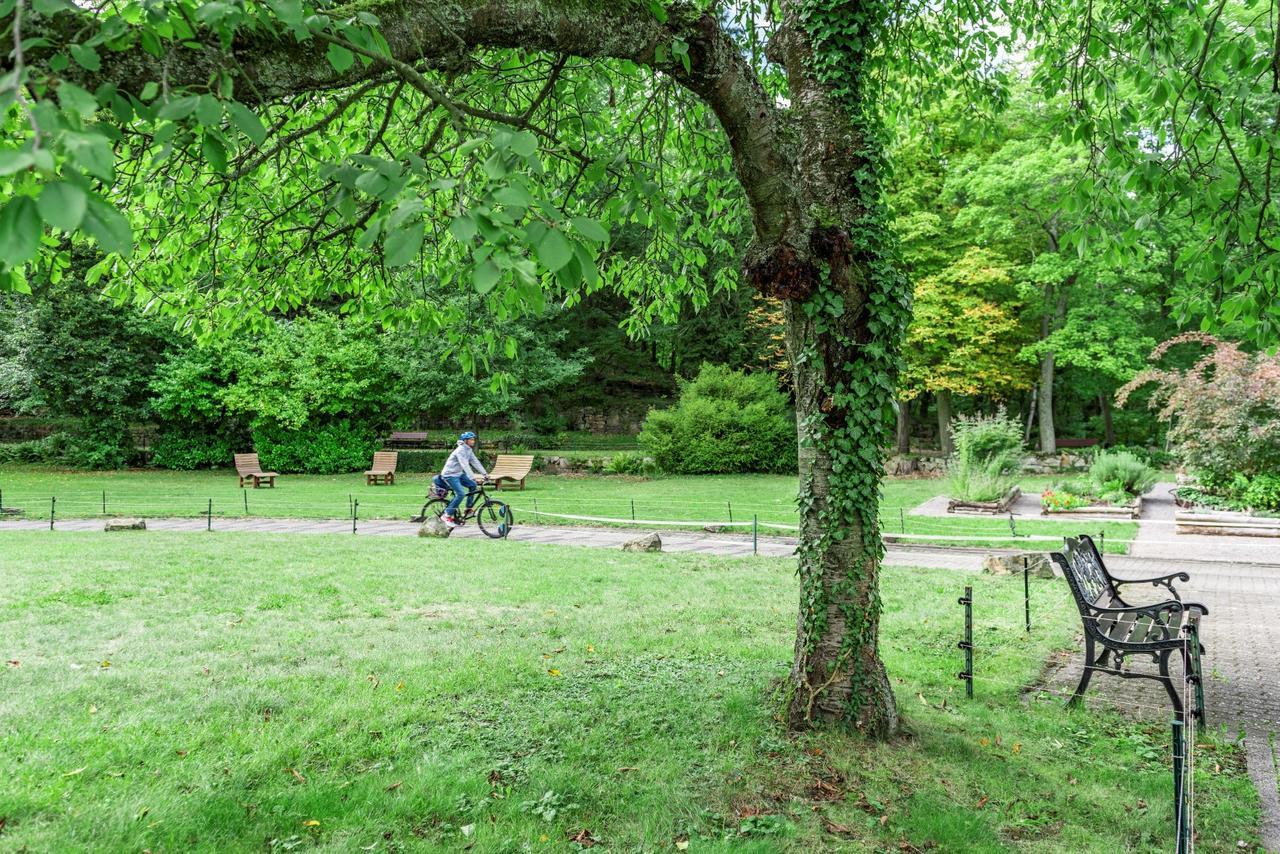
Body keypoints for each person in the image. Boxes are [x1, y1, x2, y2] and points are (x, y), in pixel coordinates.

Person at [438, 431, 488, 528]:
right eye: (471, 439)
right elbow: (464, 464)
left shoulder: (468, 449)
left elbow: (475, 461)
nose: (473, 441)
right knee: (461, 494)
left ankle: (468, 509)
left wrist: (485, 473)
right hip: (450, 474)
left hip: (458, 474)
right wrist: (473, 477)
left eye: (473, 439)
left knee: (473, 485)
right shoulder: (460, 450)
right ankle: (446, 515)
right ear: (465, 441)